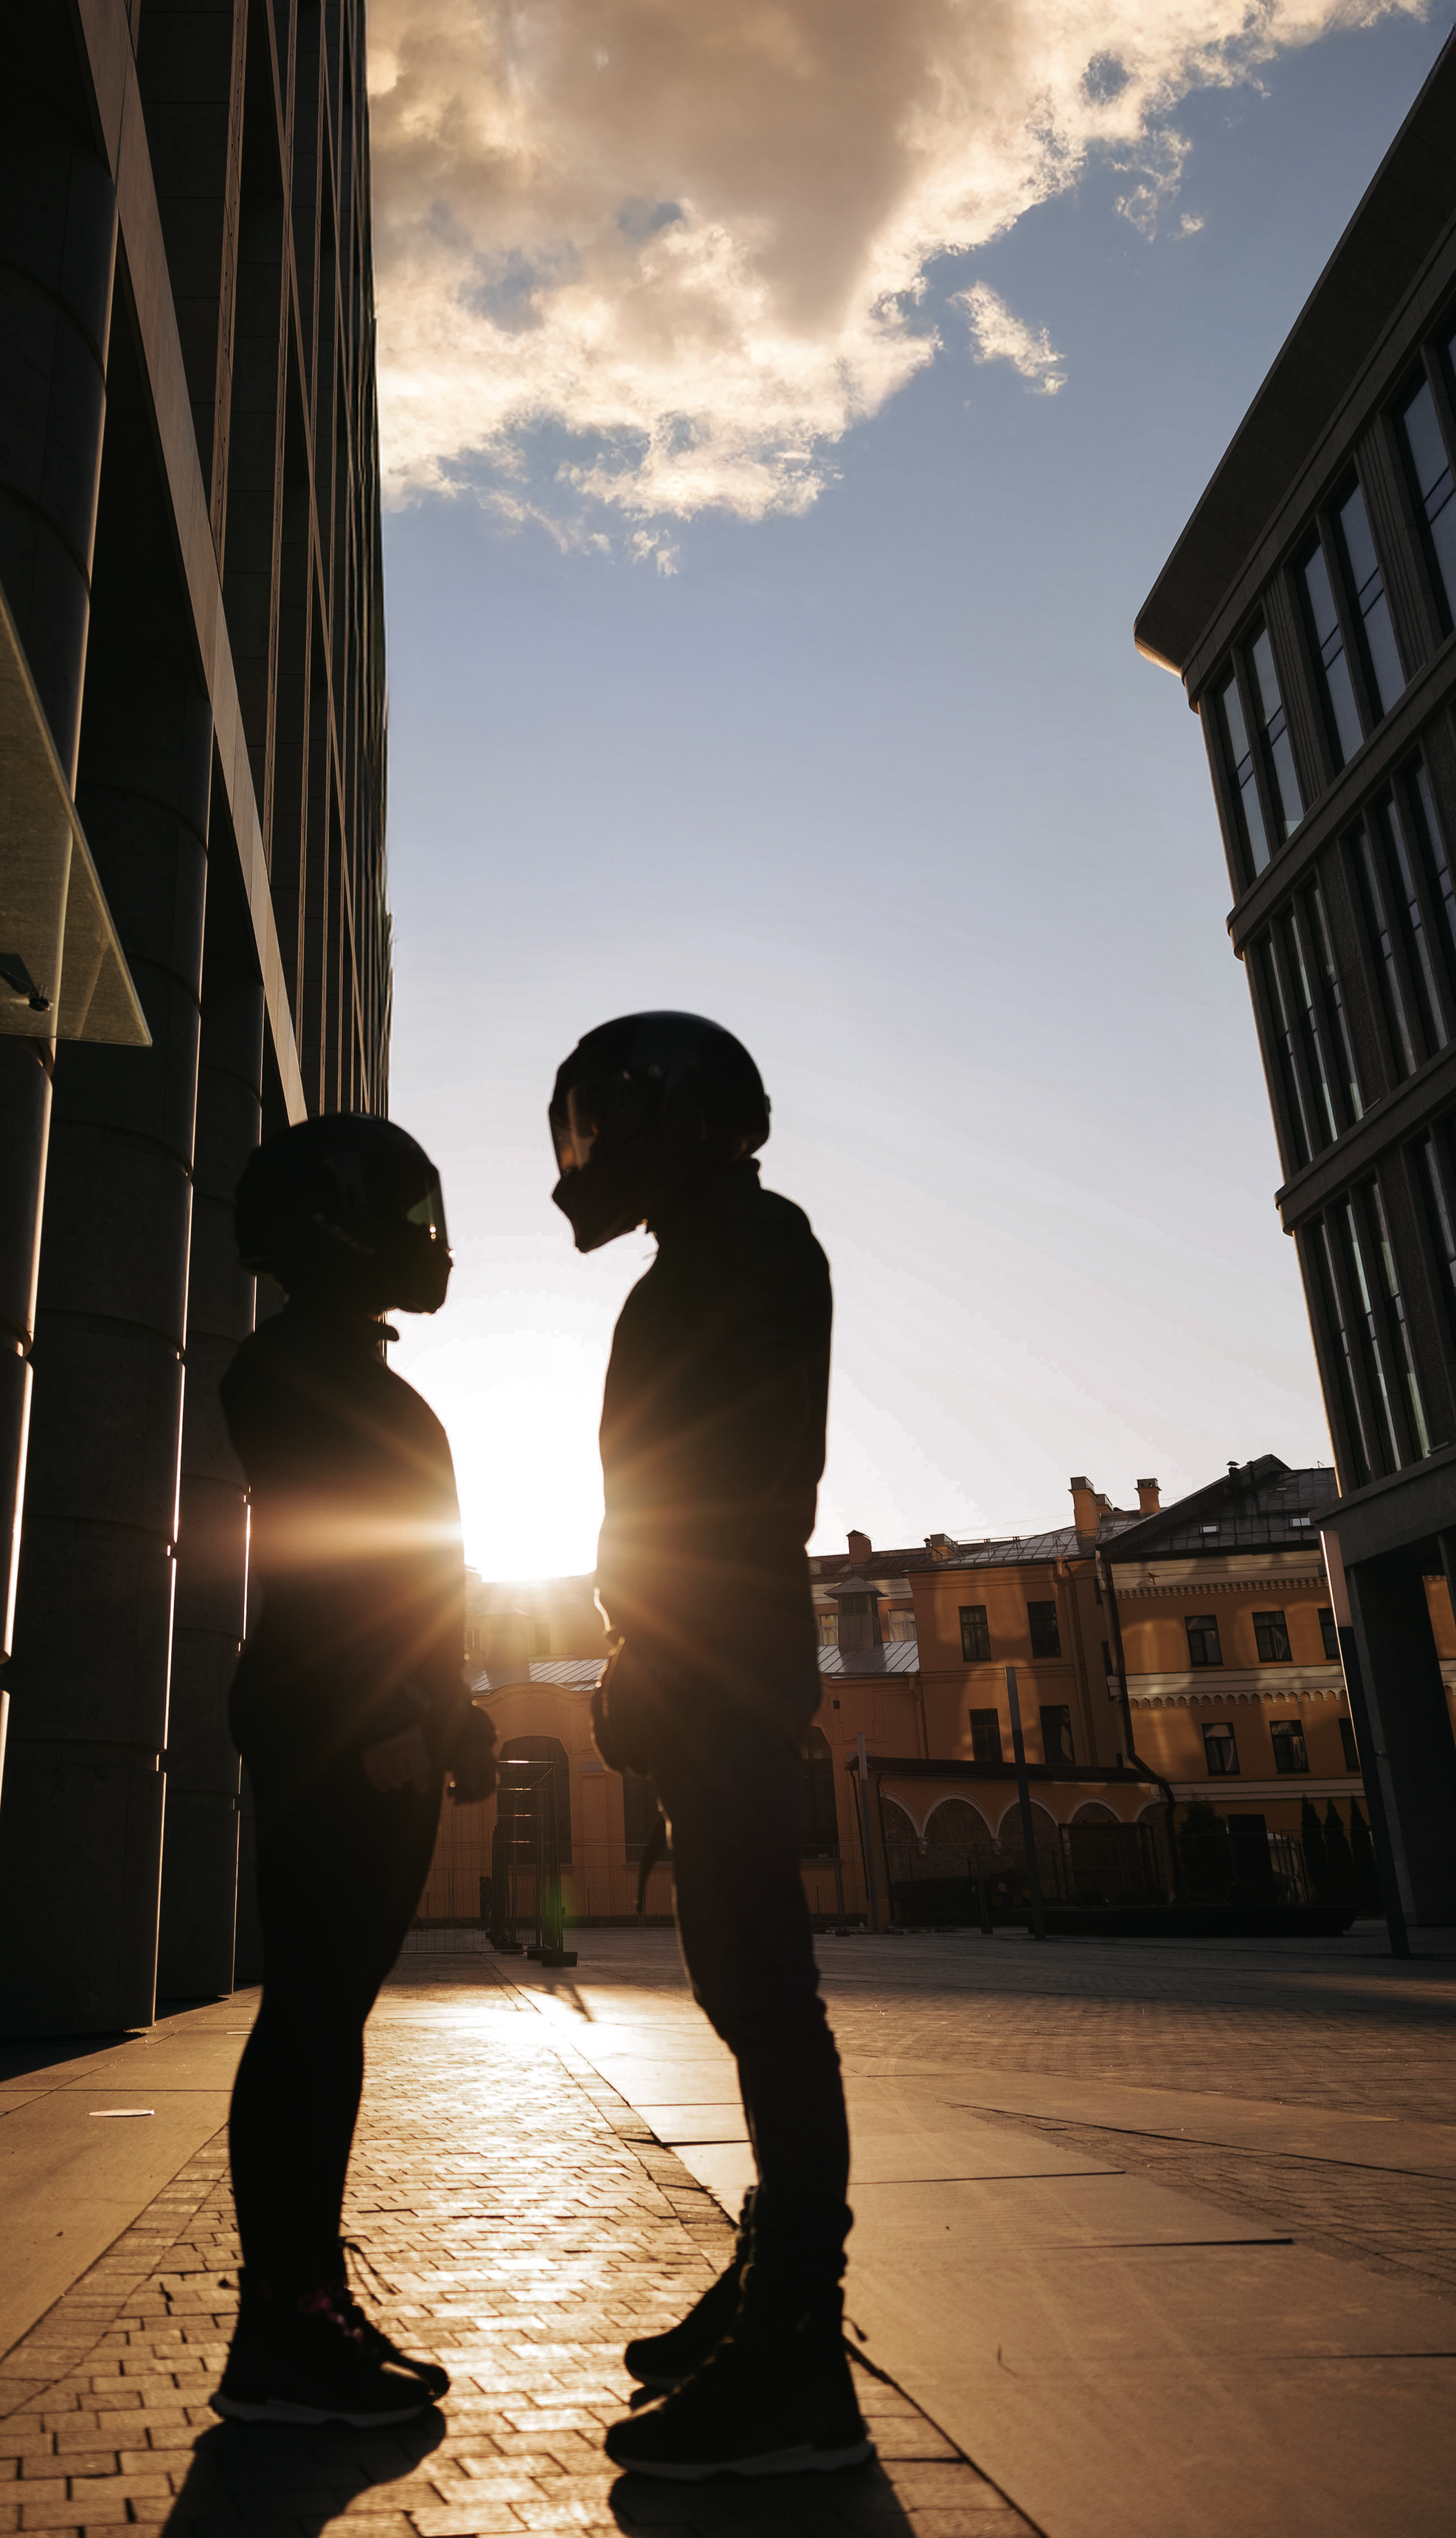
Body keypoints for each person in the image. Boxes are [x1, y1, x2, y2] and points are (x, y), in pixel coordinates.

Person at [548, 1012, 870, 2481]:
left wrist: (661, 1653)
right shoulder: (712, 1257)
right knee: (740, 1990)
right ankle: (774, 2281)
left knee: (761, 1992)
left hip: (719, 1675)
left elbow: (725, 1492)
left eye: (608, 1118)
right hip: (703, 1668)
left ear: (681, 1117)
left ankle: (800, 2343)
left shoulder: (745, 1253)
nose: (589, 1150)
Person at [209, 1113, 496, 2428]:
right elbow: (343, 1570)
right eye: (402, 1211)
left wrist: (457, 1703)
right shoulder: (292, 1370)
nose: (426, 1240)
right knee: (313, 2017)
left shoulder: (346, 1369)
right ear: (333, 1224)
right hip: (345, 1732)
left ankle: (307, 2296)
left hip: (386, 1726)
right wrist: (394, 1710)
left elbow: (422, 1569)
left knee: (330, 2018)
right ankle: (286, 2321)